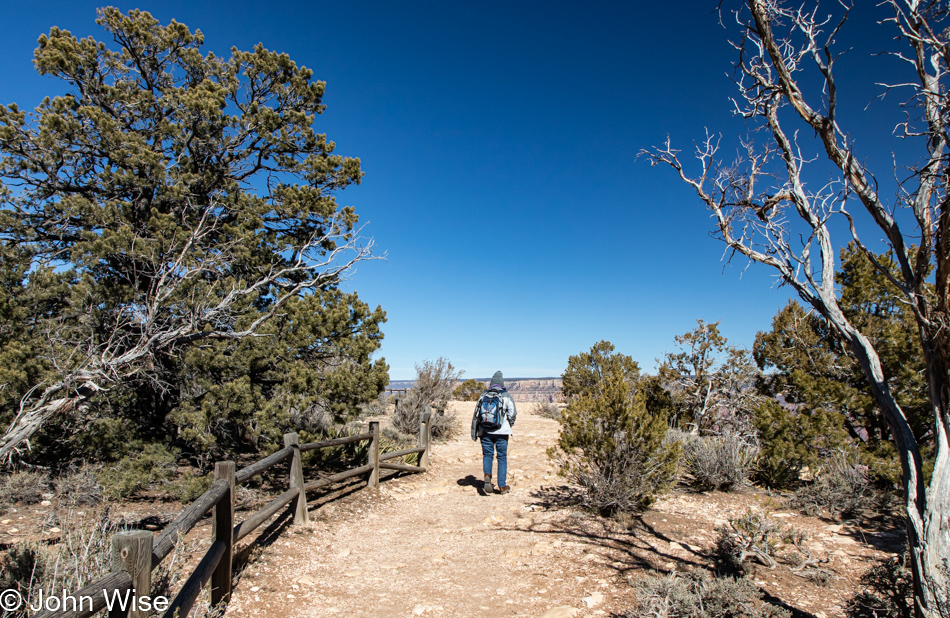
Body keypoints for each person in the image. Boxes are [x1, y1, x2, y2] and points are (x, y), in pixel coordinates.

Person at [471, 370, 517, 495]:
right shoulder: (506, 395)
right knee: (502, 457)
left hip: (485, 431)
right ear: (501, 384)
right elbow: (512, 413)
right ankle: (502, 486)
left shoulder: (483, 395)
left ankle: (487, 475)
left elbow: (476, 414)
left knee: (488, 455)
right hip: (502, 432)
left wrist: (474, 432)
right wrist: (508, 424)